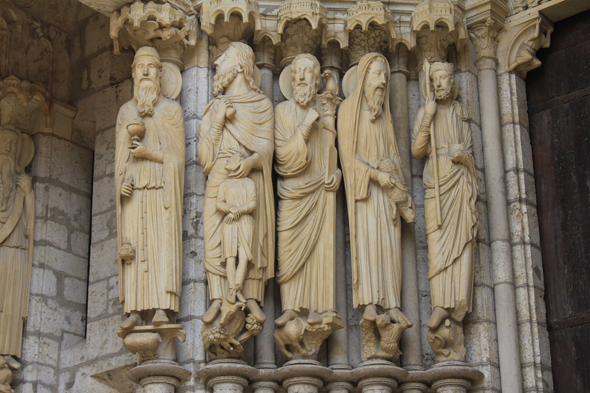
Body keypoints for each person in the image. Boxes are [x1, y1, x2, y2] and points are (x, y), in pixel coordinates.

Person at [198, 42, 275, 324]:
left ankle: (251, 297)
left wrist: (250, 162)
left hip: (249, 179)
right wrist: (219, 119)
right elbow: (204, 156)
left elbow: (267, 149)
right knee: (216, 238)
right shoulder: (214, 107)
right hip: (219, 177)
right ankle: (219, 298)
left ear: (241, 64)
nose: (217, 63)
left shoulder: (262, 105)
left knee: (249, 239)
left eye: (225, 58)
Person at [338, 52, 414, 326]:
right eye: (376, 74)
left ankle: (392, 303)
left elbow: (394, 154)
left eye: (385, 75)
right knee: (368, 244)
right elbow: (348, 159)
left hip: (387, 195)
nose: (382, 81)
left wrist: (396, 181)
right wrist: (375, 175)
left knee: (390, 248)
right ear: (363, 77)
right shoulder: (348, 110)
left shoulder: (385, 118)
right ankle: (369, 303)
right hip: (366, 195)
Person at [115, 47, 185, 329]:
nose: (145, 72)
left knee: (158, 245)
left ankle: (160, 307)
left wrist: (148, 154)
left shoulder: (171, 111)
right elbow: (120, 160)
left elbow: (177, 158)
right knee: (134, 247)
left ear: (160, 73)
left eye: (151, 67)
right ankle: (133, 308)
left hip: (161, 190)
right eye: (140, 67)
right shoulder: (125, 112)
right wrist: (120, 186)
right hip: (134, 192)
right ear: (133, 74)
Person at [411, 61, 478, 330]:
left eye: (444, 79)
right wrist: (428, 115)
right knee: (438, 244)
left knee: (461, 242)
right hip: (436, 184)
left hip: (459, 184)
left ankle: (458, 301)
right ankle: (439, 305)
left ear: (453, 83)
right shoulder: (425, 112)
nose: (439, 84)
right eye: (435, 79)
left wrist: (464, 157)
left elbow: (470, 150)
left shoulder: (461, 113)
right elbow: (417, 150)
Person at [216, 153, 257, 304]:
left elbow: (253, 203)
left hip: (245, 220)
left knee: (244, 256)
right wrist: (230, 208)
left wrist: (239, 210)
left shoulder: (248, 183)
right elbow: (219, 203)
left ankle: (236, 289)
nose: (228, 160)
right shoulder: (224, 184)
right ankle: (232, 289)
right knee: (230, 257)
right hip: (229, 222)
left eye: (232, 158)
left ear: (240, 162)